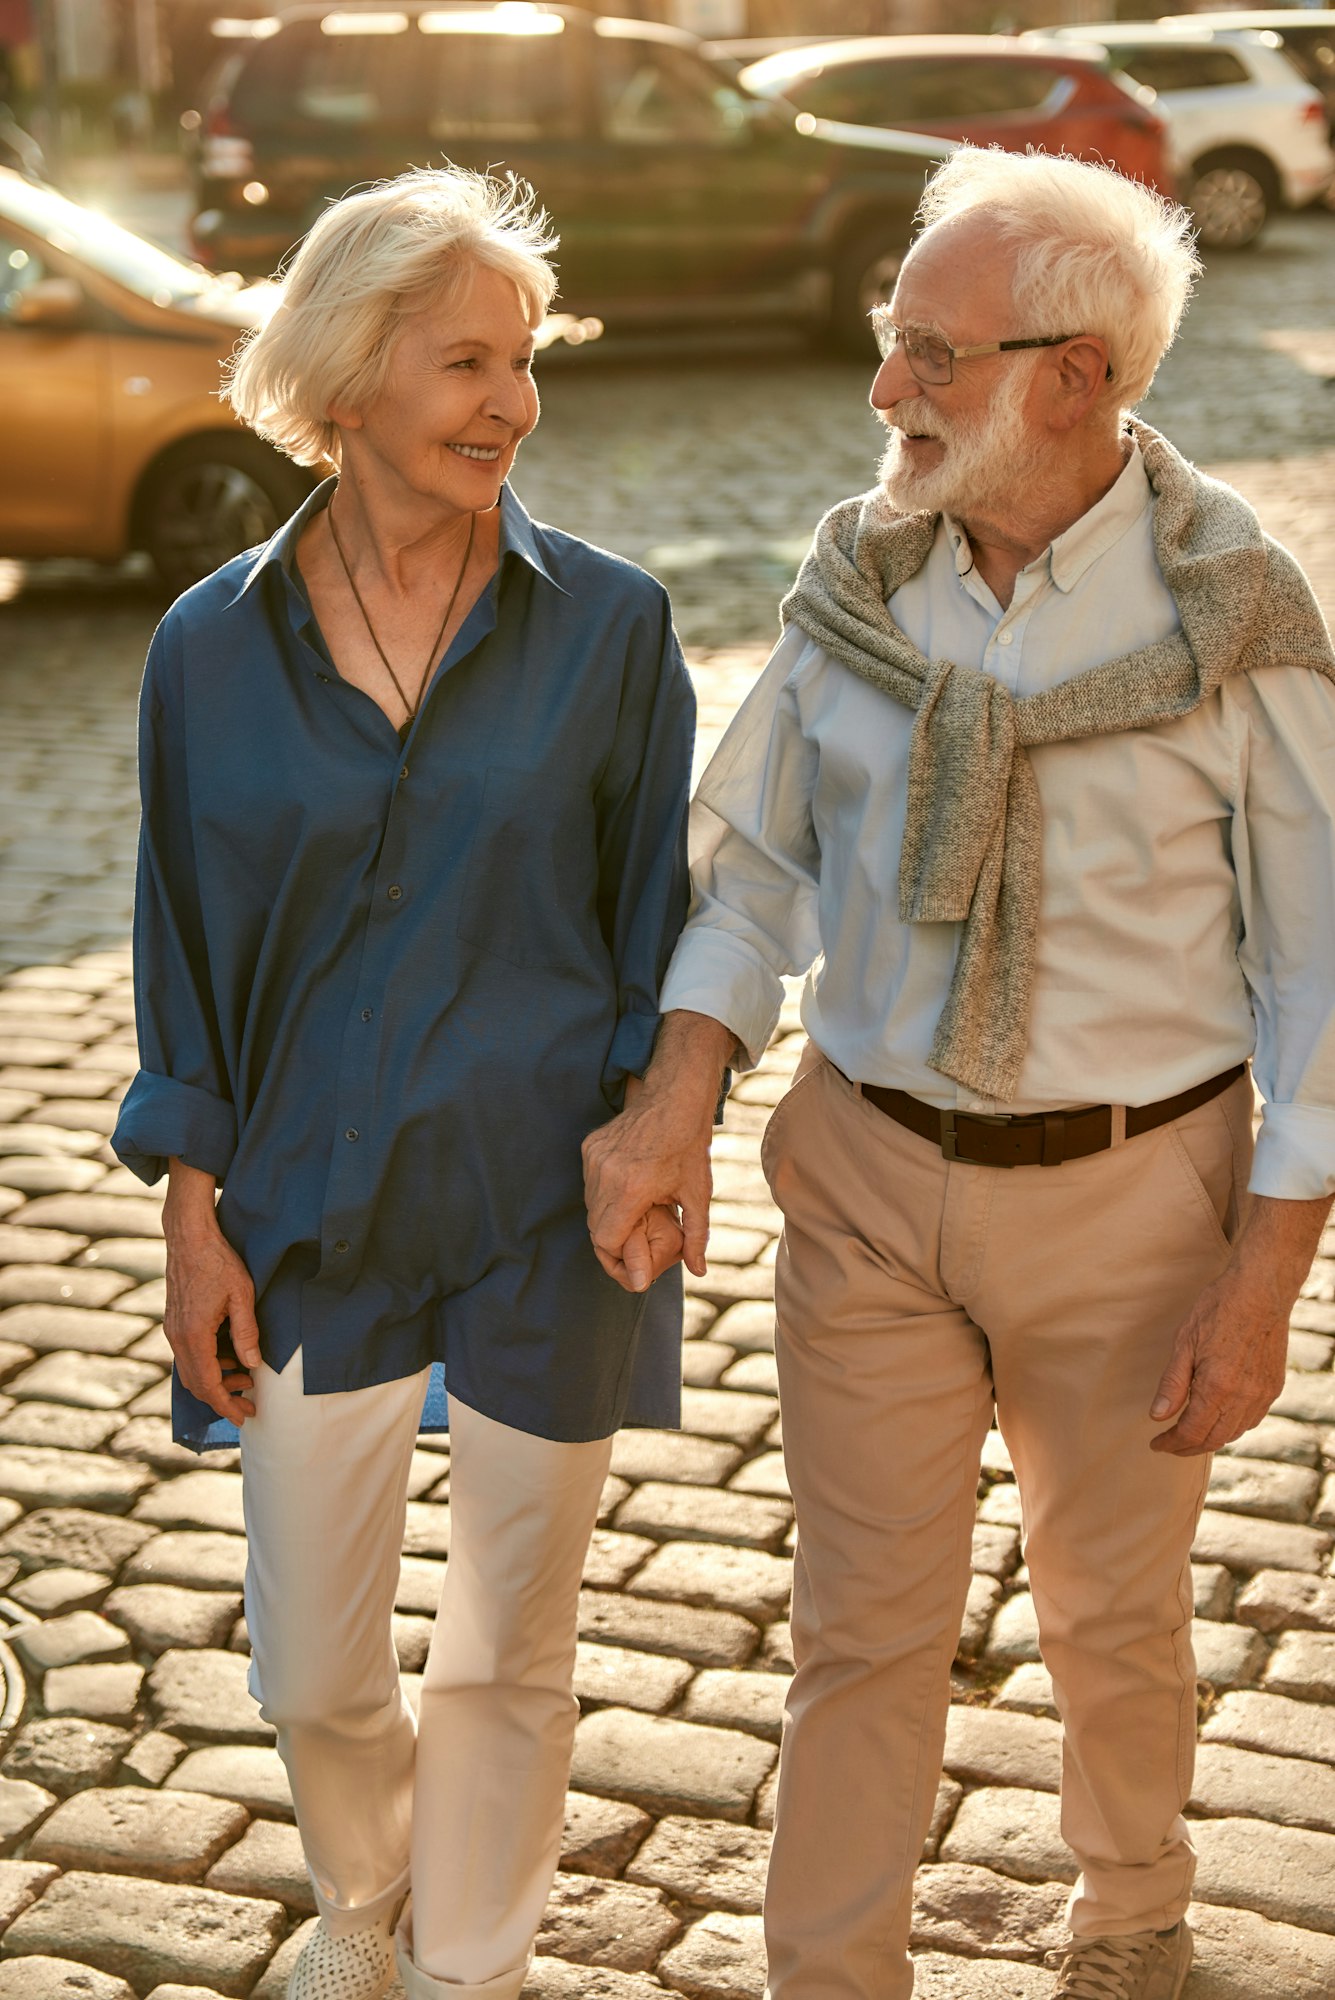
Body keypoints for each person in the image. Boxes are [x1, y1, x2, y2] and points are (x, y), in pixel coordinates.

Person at [583, 147, 1335, 2000]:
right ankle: (827, 1976)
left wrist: (1264, 1287)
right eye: (887, 341)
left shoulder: (1234, 614)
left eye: (933, 350)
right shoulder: (862, 577)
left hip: (1134, 1196)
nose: (884, 391)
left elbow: (1321, 967)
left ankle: (1132, 1912)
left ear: (1075, 374)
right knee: (857, 1626)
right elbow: (750, 866)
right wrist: (681, 1089)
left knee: (1108, 1613)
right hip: (863, 1178)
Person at [113, 166, 695, 2000]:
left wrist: (649, 1129)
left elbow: (648, 929)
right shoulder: (210, 647)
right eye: (466, 365)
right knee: (311, 1669)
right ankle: (363, 1899)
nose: (510, 406)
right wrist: (193, 1219)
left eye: (525, 365)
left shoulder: (611, 630)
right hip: (305, 1211)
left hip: (543, 1205)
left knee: (513, 1645)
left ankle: (468, 1969)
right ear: (349, 378)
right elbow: (181, 956)